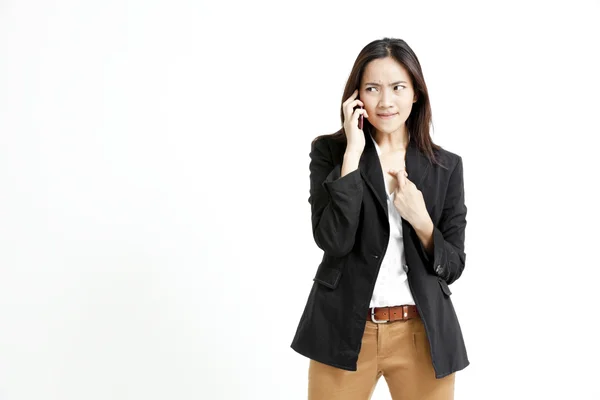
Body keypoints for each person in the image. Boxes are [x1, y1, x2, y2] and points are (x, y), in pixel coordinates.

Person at [290, 38, 469, 400]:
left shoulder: (446, 166)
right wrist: (353, 155)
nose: (385, 102)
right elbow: (333, 240)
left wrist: (421, 221)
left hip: (422, 333)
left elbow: (453, 266)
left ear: (416, 94)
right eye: (372, 88)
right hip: (344, 328)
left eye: (398, 88)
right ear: (356, 96)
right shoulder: (331, 152)